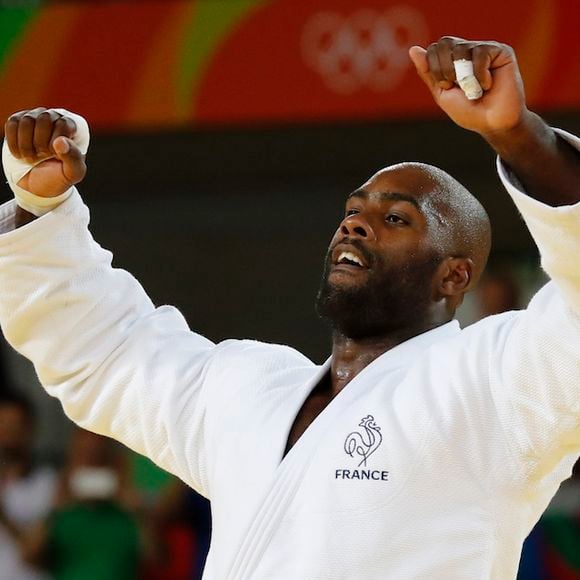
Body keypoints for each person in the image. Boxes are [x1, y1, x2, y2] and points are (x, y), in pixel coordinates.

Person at [0, 35, 578, 579]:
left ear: (454, 277)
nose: (355, 223)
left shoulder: (487, 387)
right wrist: (40, 205)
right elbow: (106, 348)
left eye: (395, 218)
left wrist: (521, 136)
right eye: (353, 210)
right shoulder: (251, 390)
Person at [23, 428, 142, 580]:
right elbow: (28, 555)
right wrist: (54, 509)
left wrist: (136, 512)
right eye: (86, 458)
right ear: (71, 460)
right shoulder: (60, 511)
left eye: (99, 459)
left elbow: (158, 558)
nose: (92, 468)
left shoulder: (126, 512)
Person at [0, 391, 56, 580]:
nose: (8, 435)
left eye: (15, 426)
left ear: (30, 429)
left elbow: (34, 554)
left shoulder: (49, 484)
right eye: (3, 426)